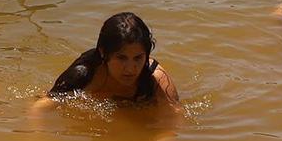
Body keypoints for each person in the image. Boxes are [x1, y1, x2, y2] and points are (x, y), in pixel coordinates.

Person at [35, 13, 183, 117]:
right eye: (121, 58)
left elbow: (175, 121)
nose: (131, 68)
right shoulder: (85, 74)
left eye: (138, 58)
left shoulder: (156, 80)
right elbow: (41, 106)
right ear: (103, 53)